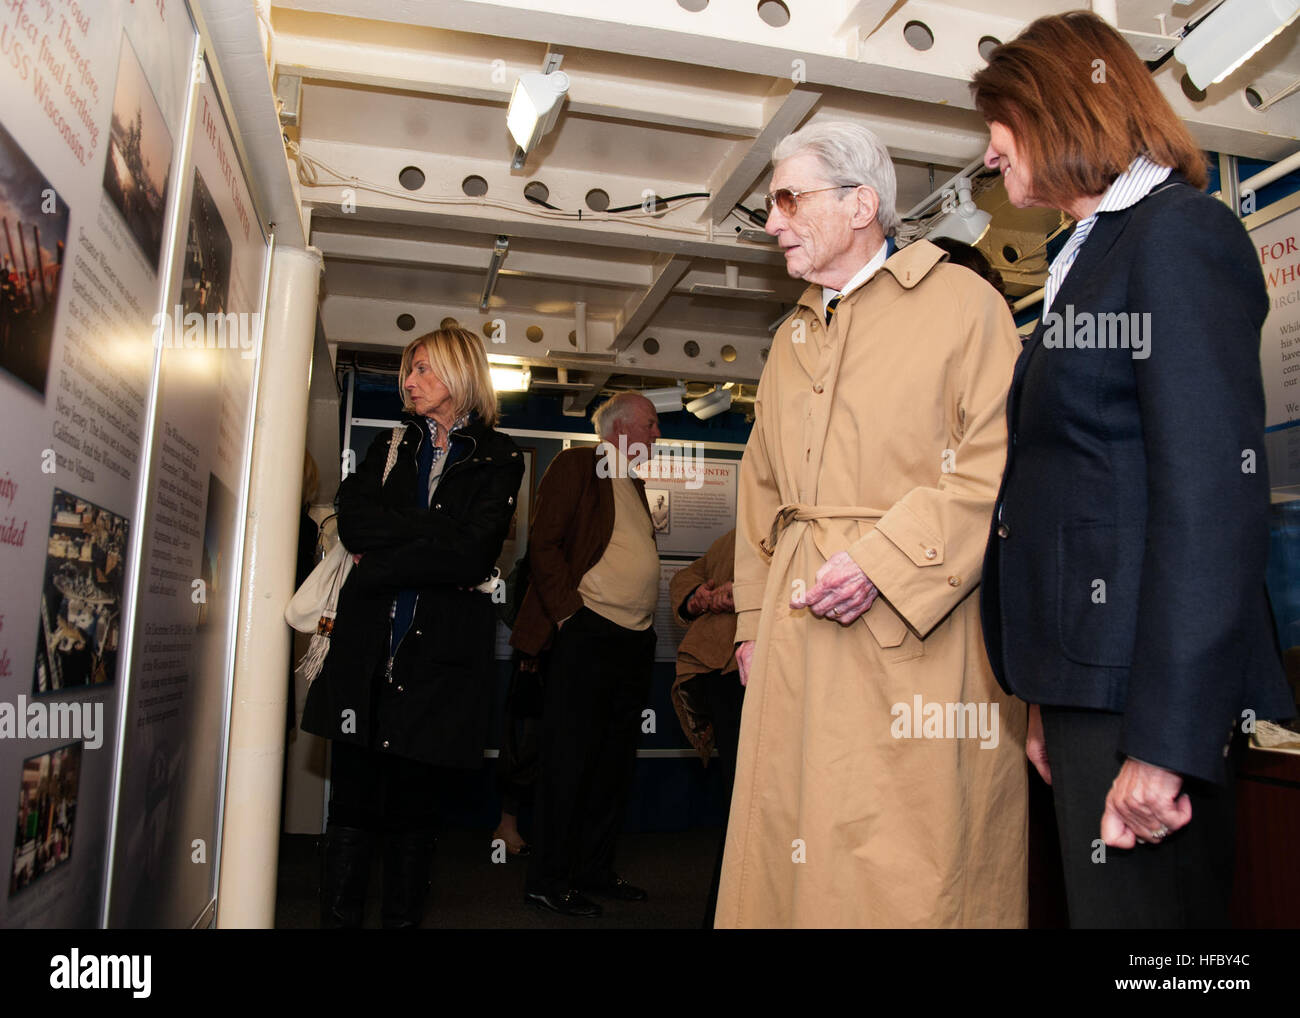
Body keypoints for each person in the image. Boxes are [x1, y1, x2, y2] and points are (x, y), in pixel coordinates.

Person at [974, 11, 1296, 928]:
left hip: (1145, 697)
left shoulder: (1178, 236)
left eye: (1000, 126)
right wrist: (1050, 697)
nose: (989, 155)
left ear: (1058, 111)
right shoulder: (1088, 252)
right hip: (1091, 683)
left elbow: (1212, 501)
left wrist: (1166, 742)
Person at [719, 121, 1027, 928]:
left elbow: (999, 464)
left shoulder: (964, 304)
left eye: (789, 199)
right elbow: (760, 487)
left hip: (917, 640)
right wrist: (749, 622)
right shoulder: (791, 337)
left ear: (861, 205)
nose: (772, 222)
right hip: (794, 641)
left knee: (905, 865)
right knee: (792, 849)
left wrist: (883, 563)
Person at [300, 326, 524, 928]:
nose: (409, 381)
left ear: (460, 373)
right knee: (351, 809)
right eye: (408, 369)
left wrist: (385, 559)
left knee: (413, 817)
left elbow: (472, 554)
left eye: (423, 368)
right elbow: (355, 523)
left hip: (439, 668)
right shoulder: (389, 444)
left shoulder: (500, 457)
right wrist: (434, 536)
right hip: (366, 656)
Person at [510, 392, 661, 918]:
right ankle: (547, 880)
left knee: (612, 765)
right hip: (588, 634)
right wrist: (569, 616)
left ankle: (592, 870)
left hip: (633, 640)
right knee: (568, 762)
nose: (657, 434)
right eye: (650, 424)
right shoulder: (578, 464)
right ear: (620, 429)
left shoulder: (633, 483)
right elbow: (544, 544)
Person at [666, 528, 740, 925]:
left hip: (739, 671)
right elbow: (687, 576)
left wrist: (741, 592)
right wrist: (700, 596)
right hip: (731, 672)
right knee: (744, 799)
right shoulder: (739, 536)